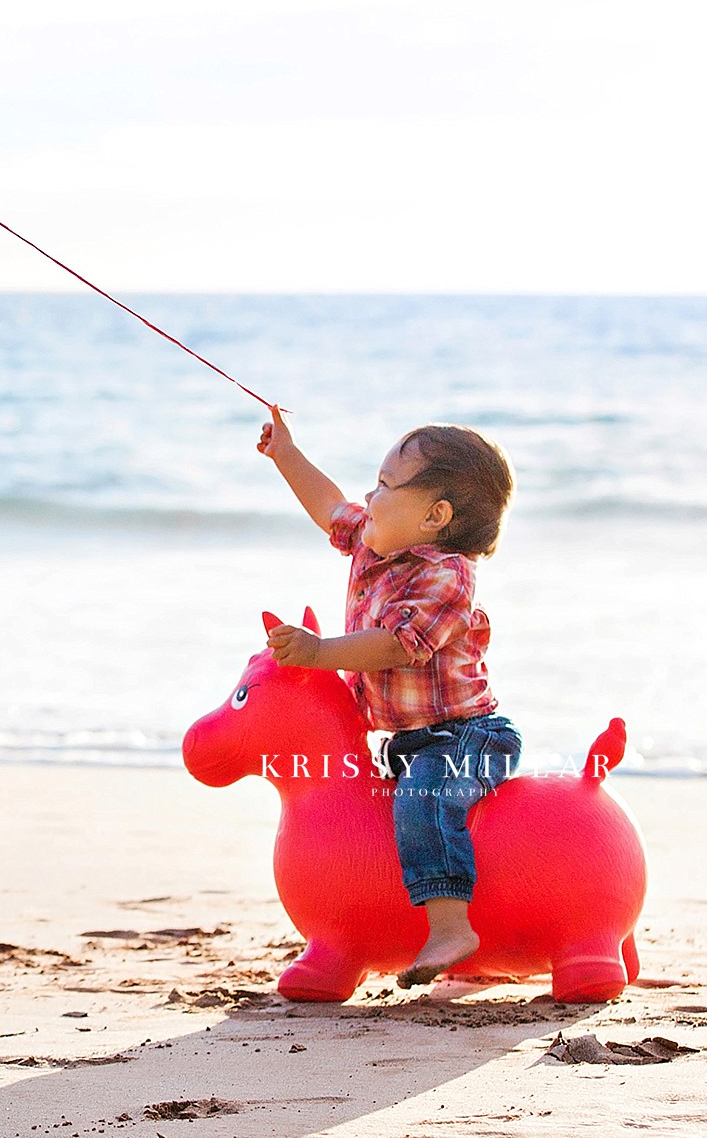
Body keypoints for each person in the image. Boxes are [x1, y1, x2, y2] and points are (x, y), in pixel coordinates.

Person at [256, 410, 522, 989]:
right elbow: (328, 506)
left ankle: (453, 927)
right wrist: (286, 454)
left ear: (435, 516)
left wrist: (322, 652)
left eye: (383, 485)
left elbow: (398, 646)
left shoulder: (448, 576)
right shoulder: (376, 542)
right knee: (393, 803)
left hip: (468, 735)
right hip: (406, 738)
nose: (368, 496)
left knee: (424, 798)